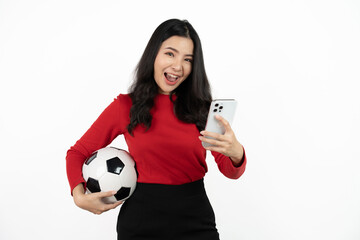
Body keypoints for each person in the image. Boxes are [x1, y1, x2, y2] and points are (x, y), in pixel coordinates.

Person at [66, 18, 247, 240]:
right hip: (140, 222)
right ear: (154, 54)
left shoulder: (204, 109)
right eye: (170, 54)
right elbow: (77, 153)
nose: (178, 66)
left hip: (195, 220)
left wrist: (237, 153)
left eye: (187, 59)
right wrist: (78, 195)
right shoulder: (125, 107)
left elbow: (230, 171)